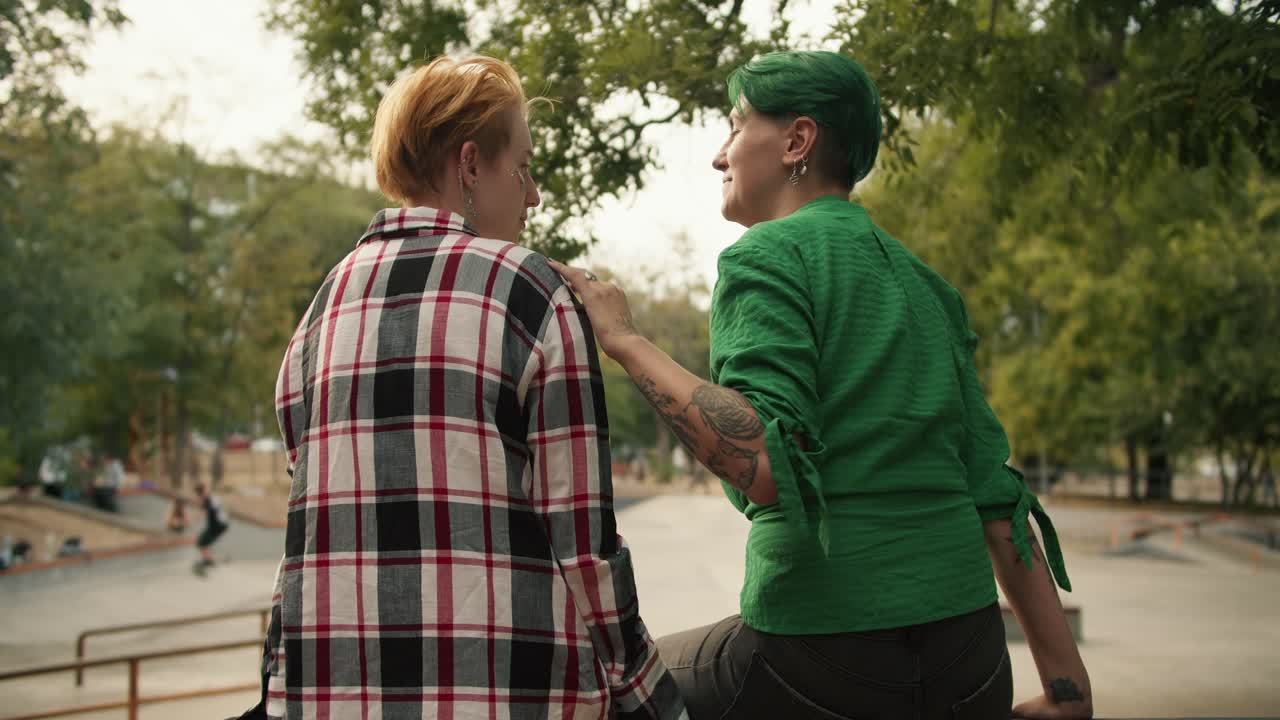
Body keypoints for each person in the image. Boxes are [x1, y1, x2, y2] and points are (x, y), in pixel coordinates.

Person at [552, 50, 1092, 719]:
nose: (719, 157)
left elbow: (763, 463)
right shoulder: (929, 288)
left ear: (797, 141)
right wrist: (1068, 690)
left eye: (734, 126)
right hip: (971, 659)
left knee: (615, 692)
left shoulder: (766, 255)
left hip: (824, 658)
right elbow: (995, 495)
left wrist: (625, 340)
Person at [238, 55, 684, 720]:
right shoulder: (533, 294)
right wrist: (654, 701)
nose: (533, 195)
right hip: (512, 694)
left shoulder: (320, 313)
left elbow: (307, 544)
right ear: (471, 163)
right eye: (524, 167)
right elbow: (584, 551)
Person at [192, 483, 229, 576]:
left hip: (217, 525)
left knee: (201, 542)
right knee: (203, 542)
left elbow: (204, 513)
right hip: (220, 525)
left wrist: (193, 520)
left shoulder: (207, 500)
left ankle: (208, 561)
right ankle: (209, 560)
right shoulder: (211, 498)